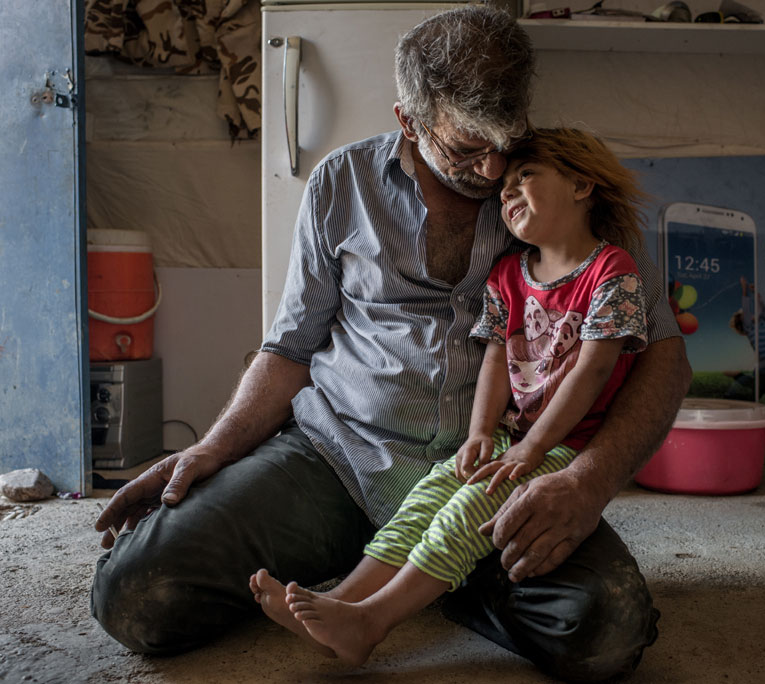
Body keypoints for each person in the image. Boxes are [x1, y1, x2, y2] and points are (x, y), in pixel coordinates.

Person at [90, 6, 691, 681]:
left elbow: (663, 356)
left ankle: (432, 577)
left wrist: (589, 478)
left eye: (508, 141)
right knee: (137, 597)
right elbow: (289, 349)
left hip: (498, 472)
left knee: (603, 634)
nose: (496, 170)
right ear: (410, 120)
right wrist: (211, 448)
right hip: (338, 457)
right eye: (468, 149)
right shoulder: (341, 184)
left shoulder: (569, 199)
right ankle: (390, 574)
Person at [249, 127, 652, 667]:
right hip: (509, 439)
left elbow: (593, 369)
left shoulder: (613, 272)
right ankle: (341, 602)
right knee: (423, 505)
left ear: (582, 185)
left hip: (562, 446)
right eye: (504, 185)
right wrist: (482, 432)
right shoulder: (509, 274)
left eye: (525, 177)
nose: (506, 192)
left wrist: (532, 450)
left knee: (465, 514)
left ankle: (373, 622)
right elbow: (495, 360)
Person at [724, 276, 765, 400]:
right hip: (763, 366)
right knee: (757, 391)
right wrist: (744, 289)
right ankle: (734, 386)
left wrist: (755, 293)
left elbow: (762, 308)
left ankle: (738, 379)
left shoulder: (762, 321)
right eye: (745, 315)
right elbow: (746, 305)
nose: (750, 314)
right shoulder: (749, 328)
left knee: (762, 391)